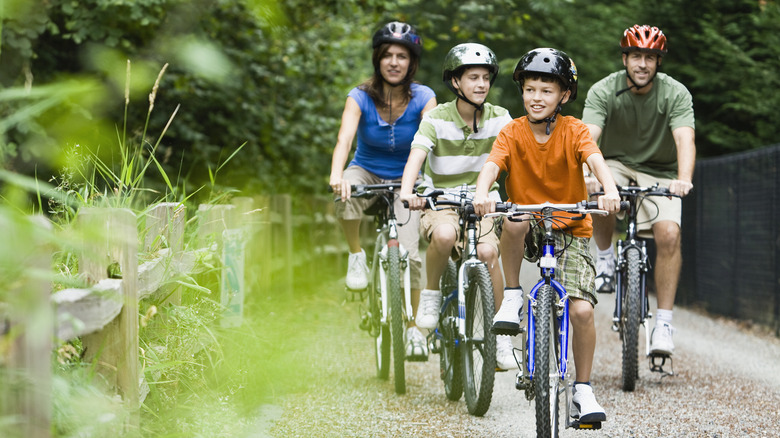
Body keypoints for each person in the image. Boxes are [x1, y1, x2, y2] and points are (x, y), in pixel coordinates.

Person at [473, 48, 621, 423]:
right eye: (530, 89)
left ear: (564, 96)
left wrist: (609, 188)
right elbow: (492, 166)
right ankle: (511, 296)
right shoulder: (513, 131)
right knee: (515, 218)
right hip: (530, 224)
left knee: (582, 309)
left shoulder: (575, 130)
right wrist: (480, 192)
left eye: (546, 90)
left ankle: (583, 390)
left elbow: (594, 159)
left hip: (569, 227)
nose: (536, 97)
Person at [582, 25, 695, 356]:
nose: (643, 64)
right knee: (602, 195)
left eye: (650, 57)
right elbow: (589, 137)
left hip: (660, 171)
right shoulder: (604, 90)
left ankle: (663, 323)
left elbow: (684, 138)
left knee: (669, 235)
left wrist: (684, 178)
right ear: (624, 58)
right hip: (614, 163)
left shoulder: (675, 93)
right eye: (636, 56)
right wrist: (589, 173)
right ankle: (604, 259)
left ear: (658, 62)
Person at [399, 43, 514, 366]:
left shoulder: (500, 118)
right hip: (442, 200)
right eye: (473, 77)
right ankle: (432, 296)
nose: (481, 85)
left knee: (490, 253)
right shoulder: (436, 119)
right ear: (455, 82)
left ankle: (502, 339)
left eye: (486, 78)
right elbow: (416, 158)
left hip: (484, 201)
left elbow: (521, 156)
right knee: (445, 235)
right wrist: (408, 191)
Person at [329, 21, 437, 359]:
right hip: (368, 171)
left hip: (407, 179)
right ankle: (356, 255)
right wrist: (338, 174)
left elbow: (432, 143)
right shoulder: (359, 95)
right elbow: (345, 138)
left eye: (401, 56)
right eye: (387, 55)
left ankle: (413, 329)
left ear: (411, 62)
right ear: (378, 59)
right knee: (346, 193)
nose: (394, 62)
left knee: (411, 253)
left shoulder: (424, 97)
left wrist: (427, 185)